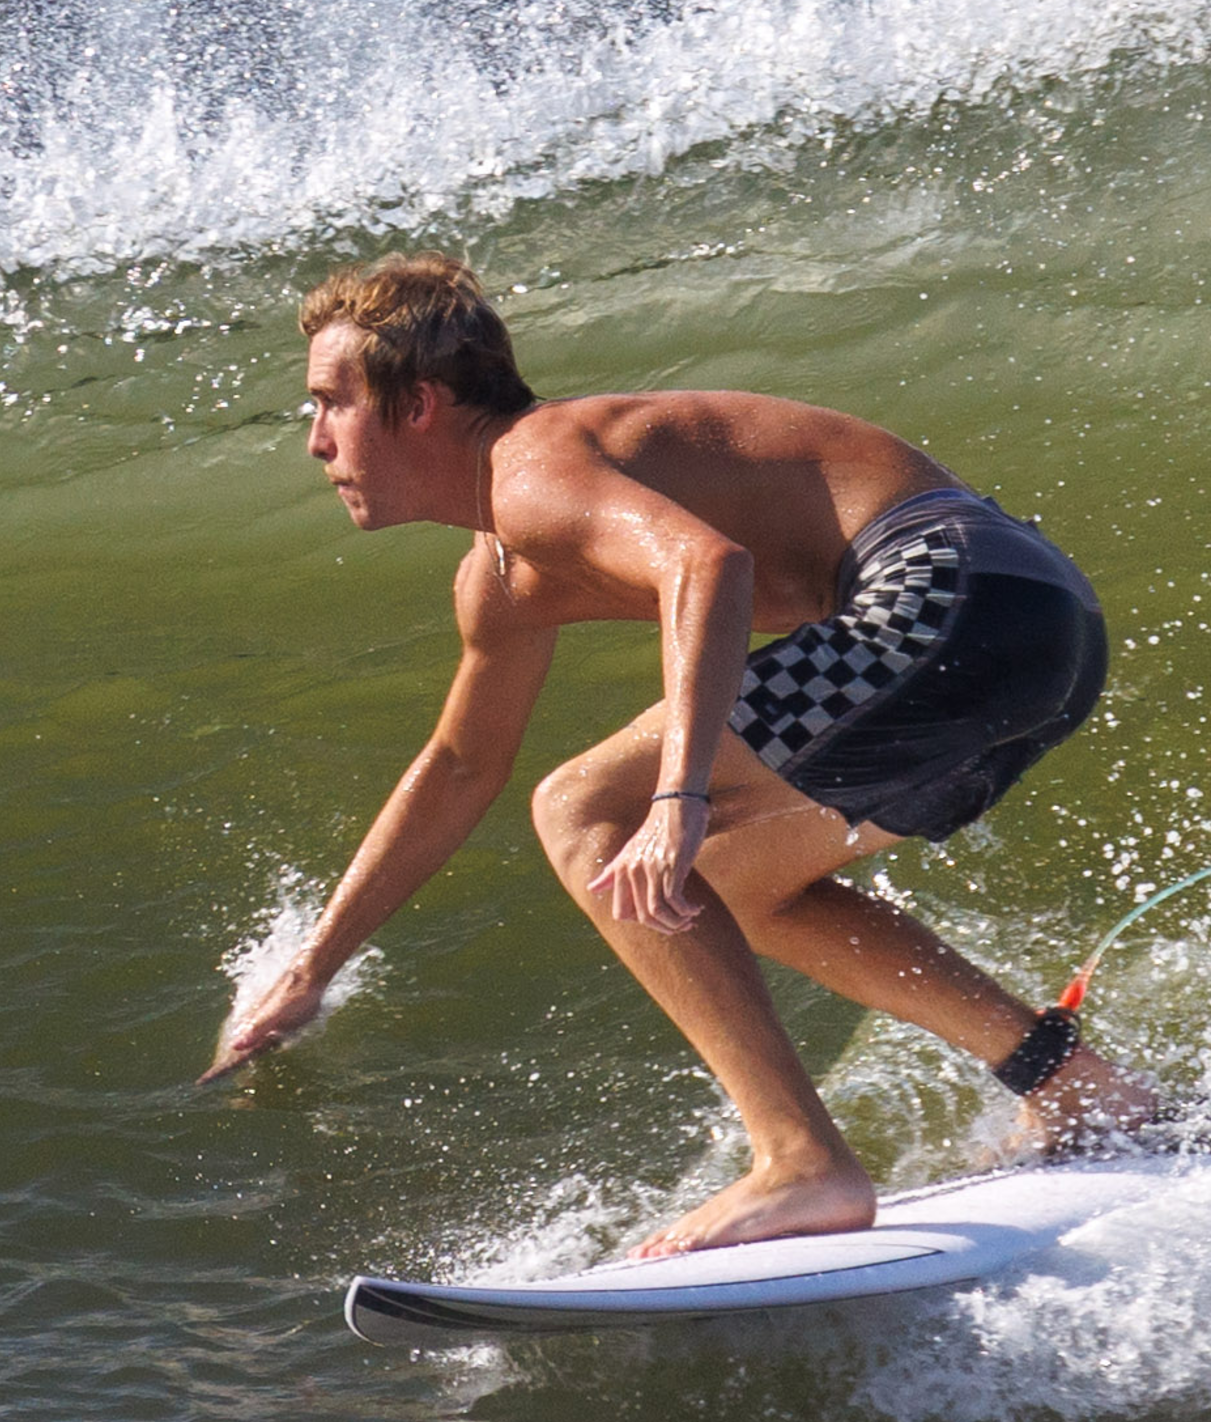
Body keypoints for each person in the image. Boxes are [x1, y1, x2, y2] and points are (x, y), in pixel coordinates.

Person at [201, 251, 1155, 1257]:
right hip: (1039, 620)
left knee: (580, 808)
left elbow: (706, 564)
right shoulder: (500, 571)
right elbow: (456, 768)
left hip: (943, 597)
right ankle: (1075, 1087)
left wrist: (677, 796)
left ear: (421, 404)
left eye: (331, 404)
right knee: (741, 888)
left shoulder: (533, 466)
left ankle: (799, 1160)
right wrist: (314, 966)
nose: (315, 443)